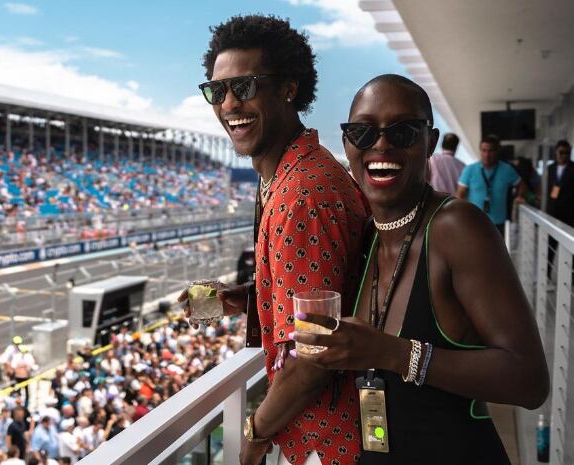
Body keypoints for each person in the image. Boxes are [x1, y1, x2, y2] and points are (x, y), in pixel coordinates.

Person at [291, 74, 549, 464]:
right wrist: (249, 297)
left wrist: (394, 353)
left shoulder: (457, 228)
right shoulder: (368, 236)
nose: (381, 144)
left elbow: (529, 381)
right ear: (346, 143)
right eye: (362, 132)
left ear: (430, 141)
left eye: (404, 130)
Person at [180, 14, 367, 465]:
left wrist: (253, 435)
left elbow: (315, 350)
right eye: (217, 91)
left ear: (288, 88)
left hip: (330, 439)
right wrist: (249, 296)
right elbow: (328, 296)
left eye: (244, 87)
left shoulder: (299, 195)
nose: (229, 104)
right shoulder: (292, 173)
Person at [456, 135, 525, 236]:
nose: (487, 155)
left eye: (491, 151)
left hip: (498, 223)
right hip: (474, 222)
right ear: (480, 151)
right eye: (484, 150)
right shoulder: (469, 170)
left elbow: (521, 185)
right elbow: (460, 194)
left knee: (497, 246)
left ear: (497, 151)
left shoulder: (507, 169)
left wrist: (520, 196)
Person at [547, 139, 574, 226]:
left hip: (569, 213)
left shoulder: (573, 168)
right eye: (561, 152)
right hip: (552, 210)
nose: (564, 155)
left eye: (567, 153)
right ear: (556, 152)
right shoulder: (550, 168)